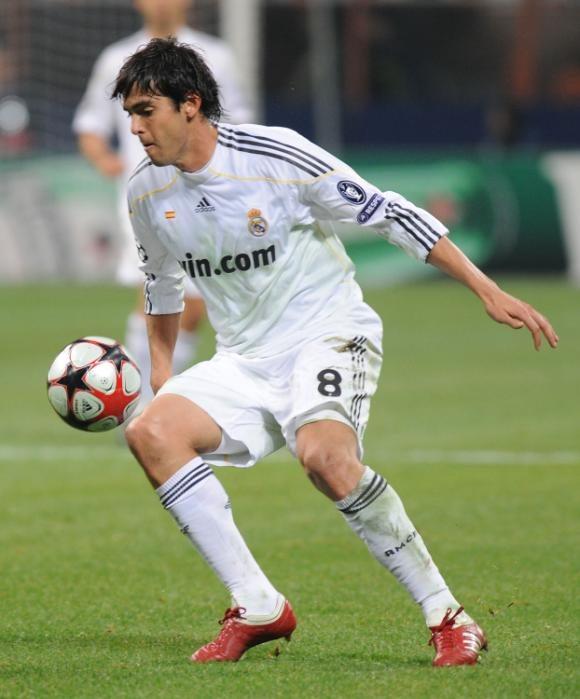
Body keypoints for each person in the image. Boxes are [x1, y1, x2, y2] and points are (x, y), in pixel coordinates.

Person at [114, 38, 559, 666]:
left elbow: (388, 212)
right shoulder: (144, 194)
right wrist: (164, 373)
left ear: (191, 105)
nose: (134, 127)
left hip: (326, 331)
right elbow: (161, 285)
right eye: (129, 114)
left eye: (145, 109)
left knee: (324, 458)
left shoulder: (275, 156)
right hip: (243, 358)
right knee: (151, 432)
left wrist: (485, 288)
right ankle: (258, 604)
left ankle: (448, 615)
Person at [73, 0, 252, 410]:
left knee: (194, 302)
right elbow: (89, 124)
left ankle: (140, 397)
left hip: (206, 192)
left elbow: (237, 122)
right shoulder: (116, 58)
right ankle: (140, 403)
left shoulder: (216, 56)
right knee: (160, 291)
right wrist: (105, 160)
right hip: (145, 196)